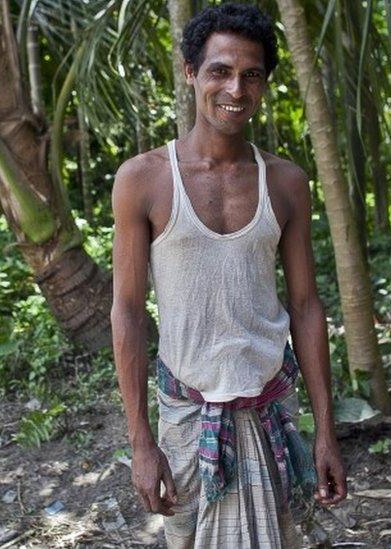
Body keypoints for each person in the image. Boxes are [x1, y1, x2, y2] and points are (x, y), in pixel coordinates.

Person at [110, 3, 347, 547]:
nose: (235, 89)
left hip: (272, 410)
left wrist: (326, 432)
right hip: (187, 418)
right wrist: (141, 442)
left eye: (252, 74)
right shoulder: (143, 180)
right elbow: (127, 311)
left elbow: (306, 306)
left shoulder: (285, 182)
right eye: (219, 70)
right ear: (191, 72)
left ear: (264, 84)